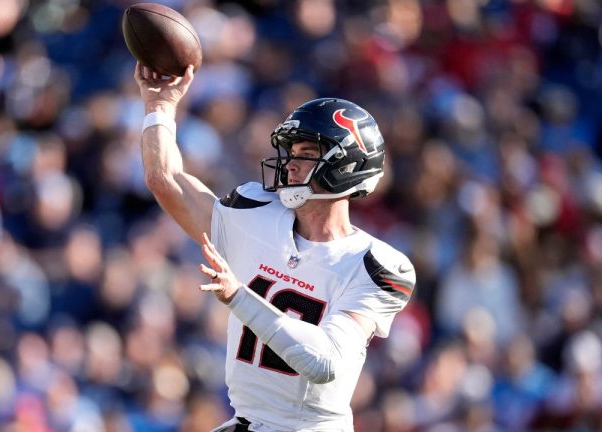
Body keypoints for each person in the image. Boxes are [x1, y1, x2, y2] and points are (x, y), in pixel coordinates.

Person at [134, 62, 416, 432]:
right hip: (246, 421)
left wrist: (238, 296)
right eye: (291, 151)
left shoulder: (377, 267)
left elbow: (324, 363)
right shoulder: (256, 213)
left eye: (305, 153)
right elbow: (165, 180)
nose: (291, 165)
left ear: (346, 165)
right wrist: (160, 107)